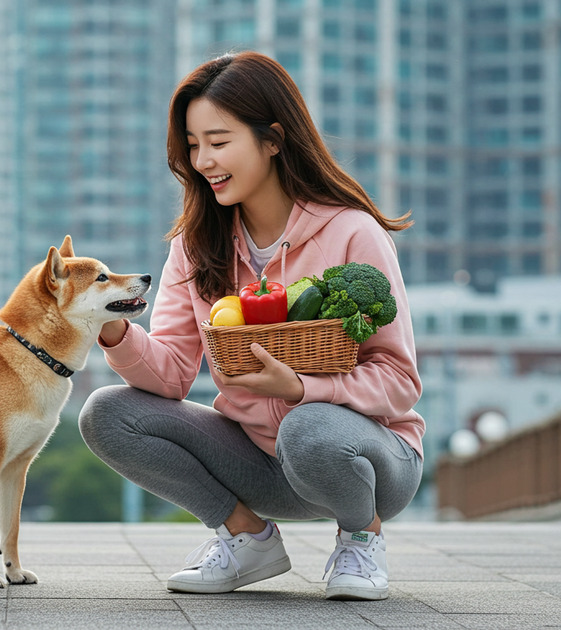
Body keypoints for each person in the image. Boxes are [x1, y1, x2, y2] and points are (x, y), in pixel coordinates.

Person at [78, 51, 424, 601]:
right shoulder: (195, 245)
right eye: (192, 145)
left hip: (369, 462)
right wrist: (112, 332)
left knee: (308, 426)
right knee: (107, 413)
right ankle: (247, 538)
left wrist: (303, 389)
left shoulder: (353, 233)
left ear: (273, 139)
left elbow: (400, 382)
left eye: (218, 142)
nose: (202, 161)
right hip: (262, 463)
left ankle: (362, 537)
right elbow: (169, 375)